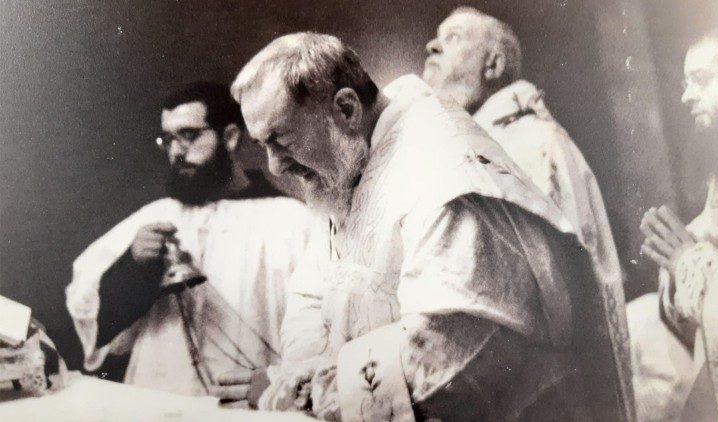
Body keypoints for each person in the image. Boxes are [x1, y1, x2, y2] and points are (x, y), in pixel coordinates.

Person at [223, 32, 633, 421]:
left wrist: (300, 393)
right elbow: (312, 290)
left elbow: (445, 359)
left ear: (346, 109)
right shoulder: (349, 161)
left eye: (282, 139)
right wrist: (299, 374)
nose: (274, 166)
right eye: (263, 145)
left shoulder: (443, 171)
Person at [65, 82, 315, 396]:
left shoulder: (291, 220)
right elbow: (89, 311)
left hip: (248, 406)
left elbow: (320, 326)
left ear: (230, 137)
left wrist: (281, 382)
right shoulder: (156, 216)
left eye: (189, 135)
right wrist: (133, 266)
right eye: (168, 139)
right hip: (160, 400)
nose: (176, 151)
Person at [422, 7, 626, 352]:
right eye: (437, 38)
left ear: (494, 65)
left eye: (453, 38)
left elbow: (553, 293)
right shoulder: (460, 149)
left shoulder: (532, 145)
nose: (431, 47)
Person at [631, 27, 718, 421]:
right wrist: (677, 267)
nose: (686, 96)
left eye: (702, 80)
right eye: (684, 83)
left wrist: (691, 263)